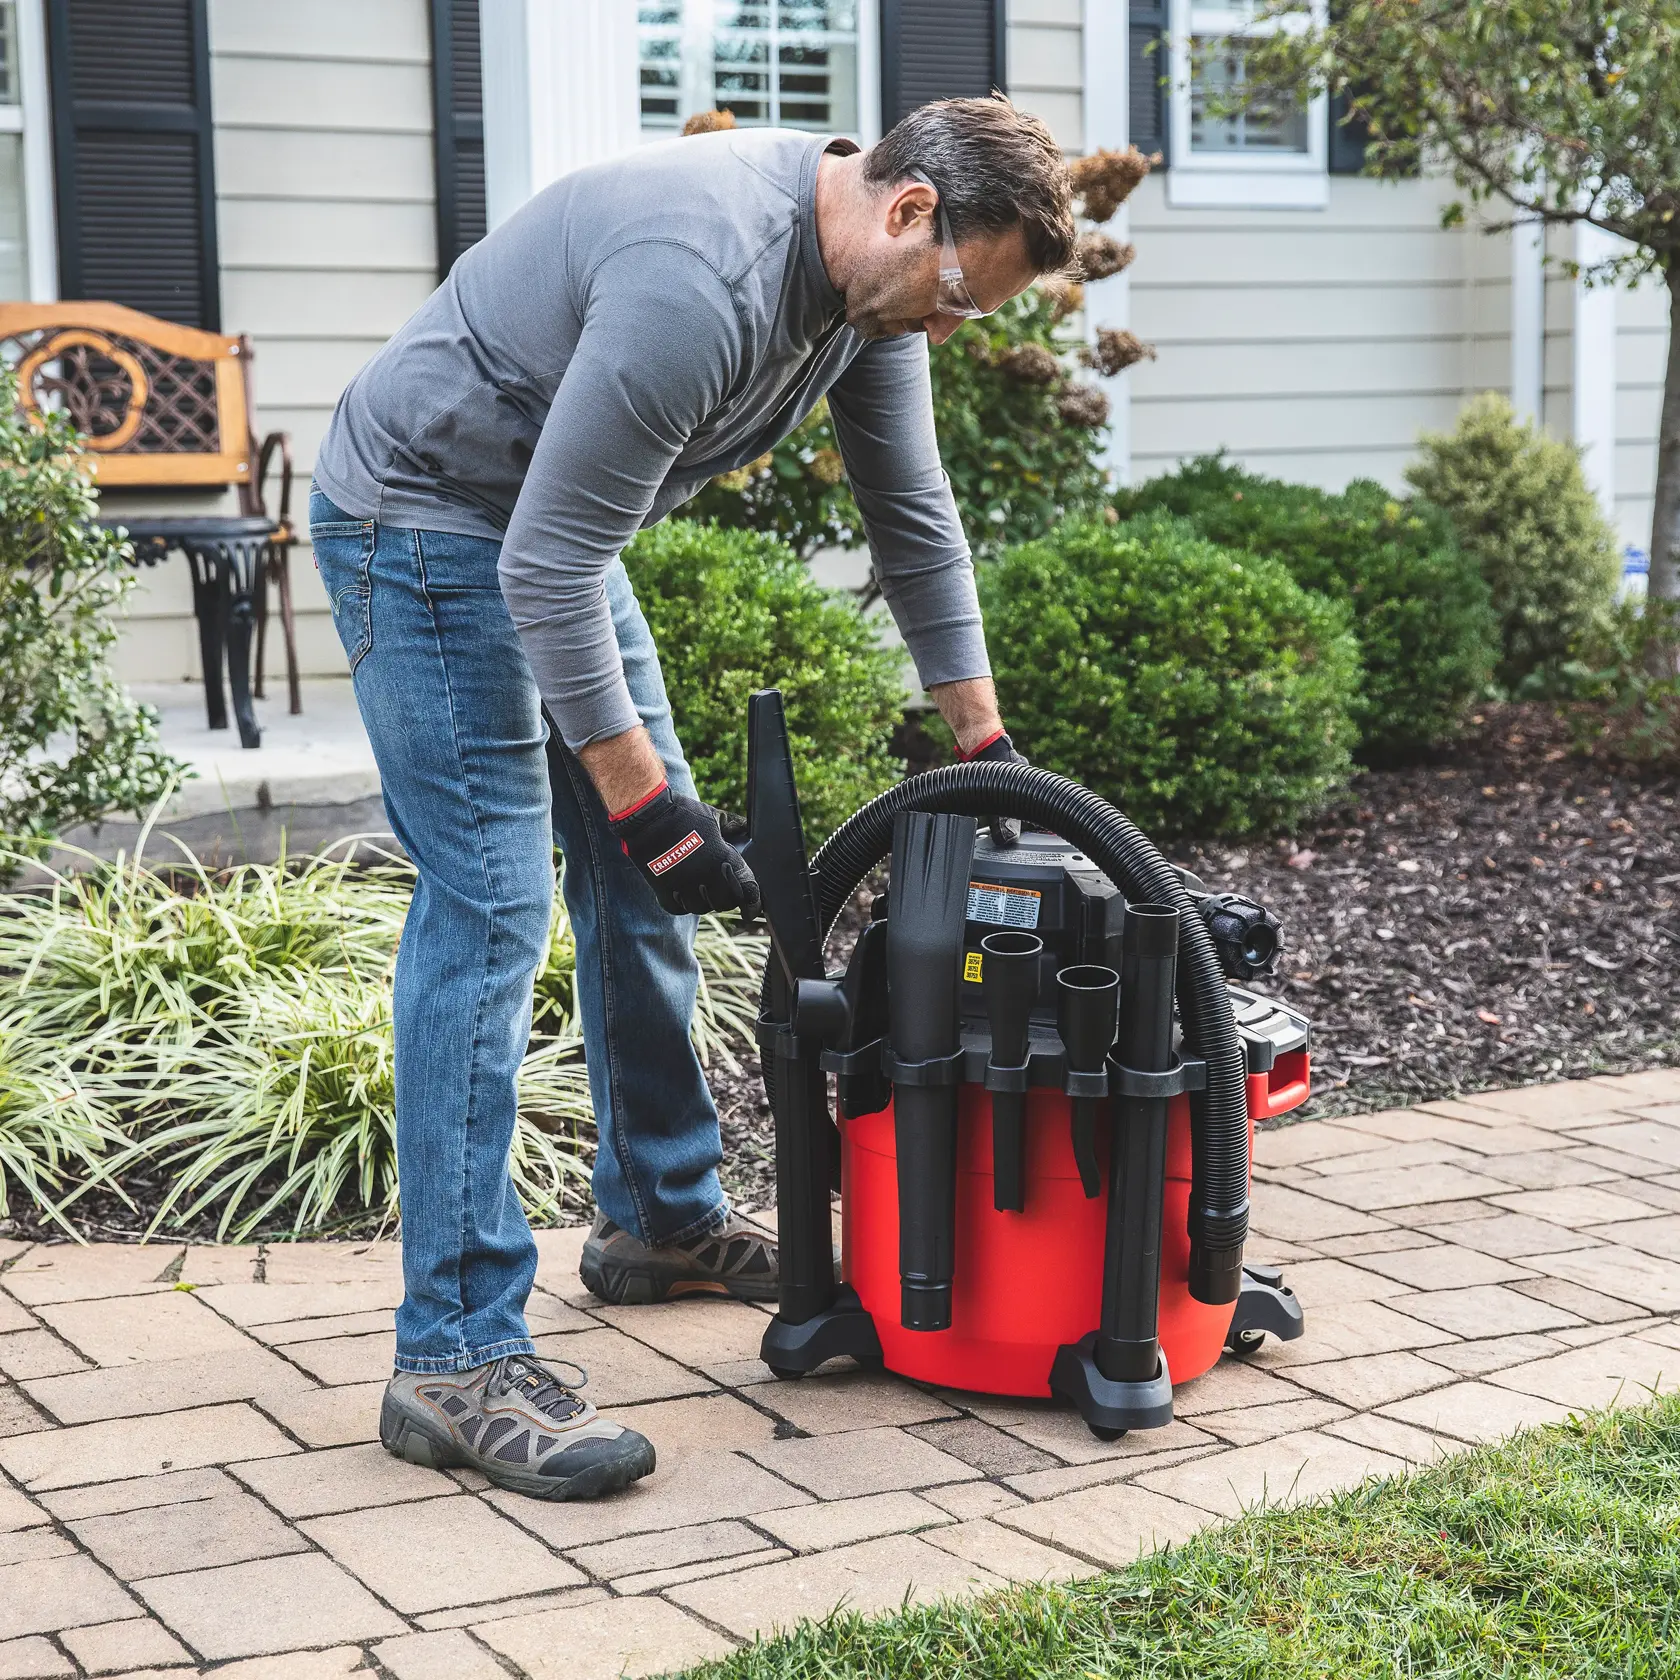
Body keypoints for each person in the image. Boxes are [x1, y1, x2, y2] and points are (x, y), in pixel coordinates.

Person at [308, 95, 1076, 1502]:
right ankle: (454, 1355)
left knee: (647, 882)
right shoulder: (701, 277)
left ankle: (658, 1220)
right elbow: (539, 566)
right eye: (962, 293)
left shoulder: (870, 299)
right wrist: (642, 801)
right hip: (422, 518)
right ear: (909, 212)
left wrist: (986, 736)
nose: (952, 328)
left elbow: (908, 506)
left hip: (553, 529)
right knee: (493, 911)